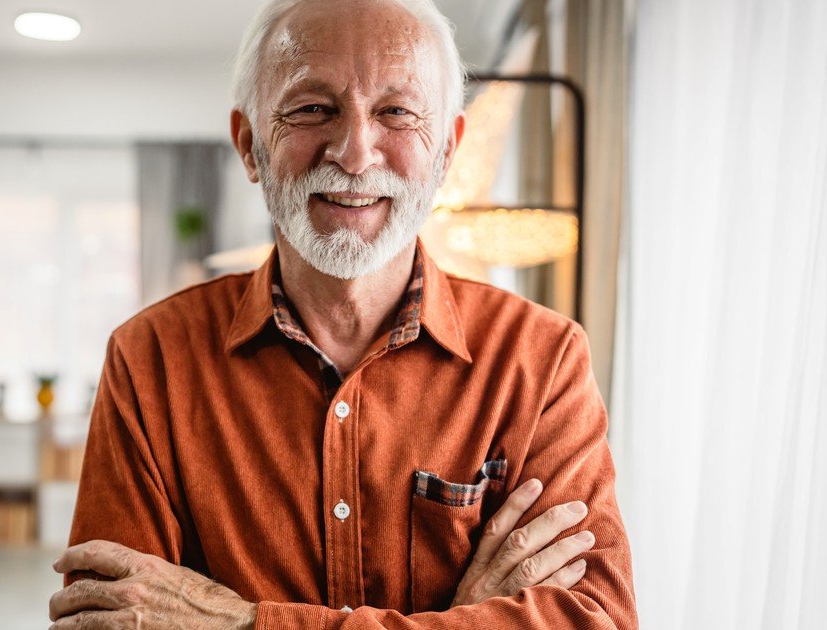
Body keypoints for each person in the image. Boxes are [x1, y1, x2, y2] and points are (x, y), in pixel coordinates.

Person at [47, 0, 637, 627]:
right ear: (249, 145)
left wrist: (245, 623)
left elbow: (593, 619)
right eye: (311, 109)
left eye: (396, 112)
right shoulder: (149, 360)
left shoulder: (543, 360)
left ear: (446, 151)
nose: (355, 153)